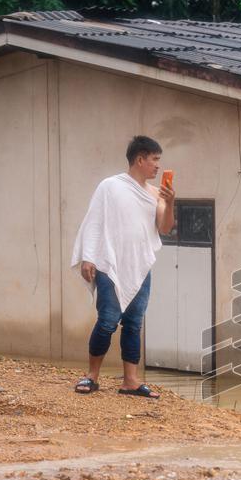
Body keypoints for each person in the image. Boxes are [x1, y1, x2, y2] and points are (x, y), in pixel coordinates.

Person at [70, 135, 175, 398]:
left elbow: (164, 228)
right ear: (140, 159)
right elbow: (95, 221)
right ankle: (92, 376)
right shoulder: (110, 186)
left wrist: (170, 201)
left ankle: (130, 381)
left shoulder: (155, 194)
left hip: (139, 267)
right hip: (110, 263)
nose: (158, 166)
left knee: (134, 323)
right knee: (107, 321)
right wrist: (88, 256)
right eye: (154, 160)